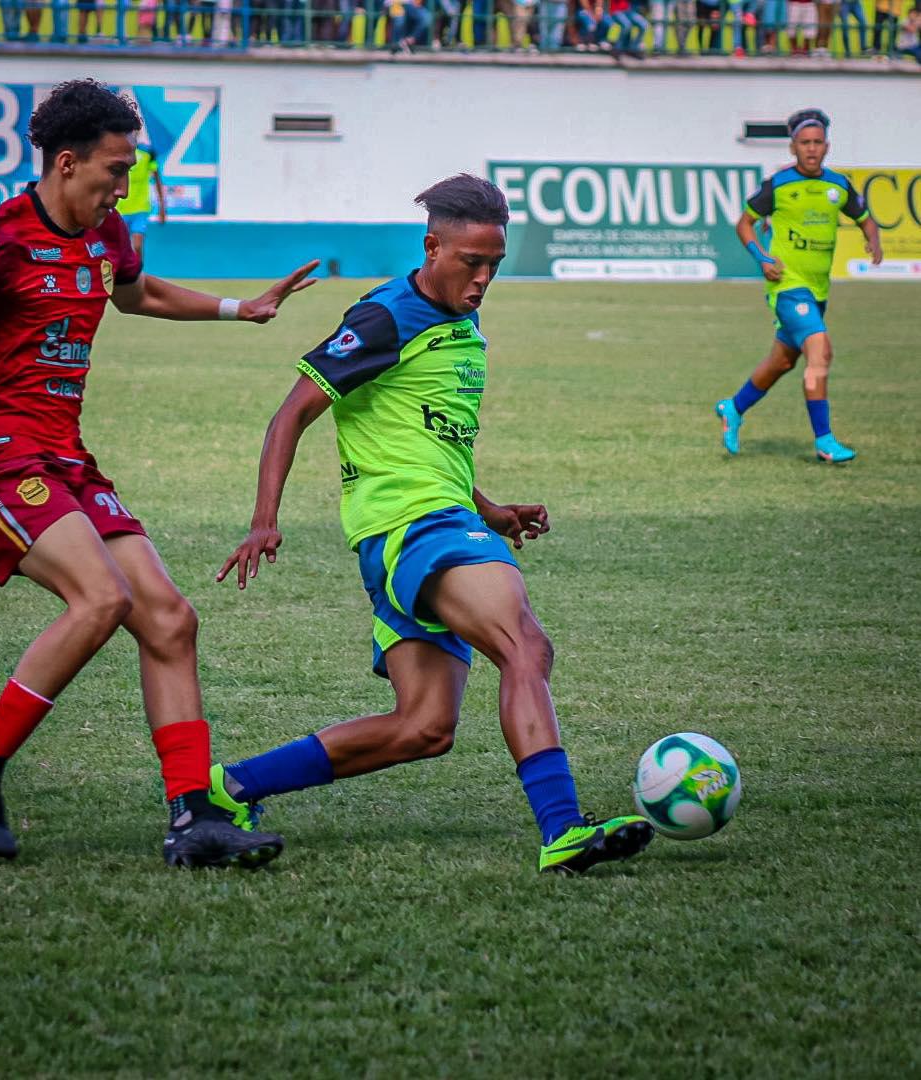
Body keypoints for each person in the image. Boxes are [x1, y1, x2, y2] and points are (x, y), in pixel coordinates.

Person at [0, 79, 319, 868]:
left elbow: (136, 293)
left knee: (170, 618)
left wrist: (240, 309)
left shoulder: (106, 233)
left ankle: (194, 819)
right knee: (102, 597)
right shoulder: (0, 239)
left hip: (66, 456)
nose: (122, 188)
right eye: (114, 171)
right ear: (66, 163)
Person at [212, 174, 654, 876]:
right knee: (523, 645)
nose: (482, 280)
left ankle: (230, 787)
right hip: (412, 527)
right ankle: (563, 829)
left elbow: (426, 438)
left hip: (428, 524)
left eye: (494, 265)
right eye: (470, 262)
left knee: (423, 727)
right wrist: (264, 520)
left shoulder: (459, 320)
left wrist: (490, 509)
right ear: (431, 247)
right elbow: (291, 412)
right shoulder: (386, 317)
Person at [715, 109, 882, 463]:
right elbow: (744, 223)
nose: (811, 149)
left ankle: (734, 407)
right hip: (787, 286)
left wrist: (873, 240)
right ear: (793, 147)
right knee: (820, 350)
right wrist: (762, 258)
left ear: (827, 147)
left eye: (817, 142)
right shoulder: (777, 185)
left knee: (782, 362)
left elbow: (865, 219)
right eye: (804, 143)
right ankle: (824, 441)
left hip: (818, 290)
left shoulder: (838, 186)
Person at [116, 143, 165, 257]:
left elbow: (157, 180)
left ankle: (138, 268)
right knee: (119, 249)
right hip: (120, 209)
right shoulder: (118, 152)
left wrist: (162, 207)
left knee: (137, 246)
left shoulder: (148, 153)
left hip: (140, 208)